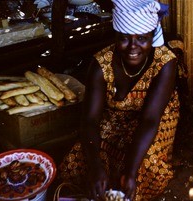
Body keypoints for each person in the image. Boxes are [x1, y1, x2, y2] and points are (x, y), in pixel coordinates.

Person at [59, 0, 180, 200]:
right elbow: (90, 121)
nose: (133, 46)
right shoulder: (100, 64)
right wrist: (95, 167)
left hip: (155, 117)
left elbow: (150, 120)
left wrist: (131, 172)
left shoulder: (165, 63)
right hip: (115, 116)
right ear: (116, 37)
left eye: (142, 38)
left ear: (152, 37)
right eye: (125, 38)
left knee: (144, 163)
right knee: (82, 156)